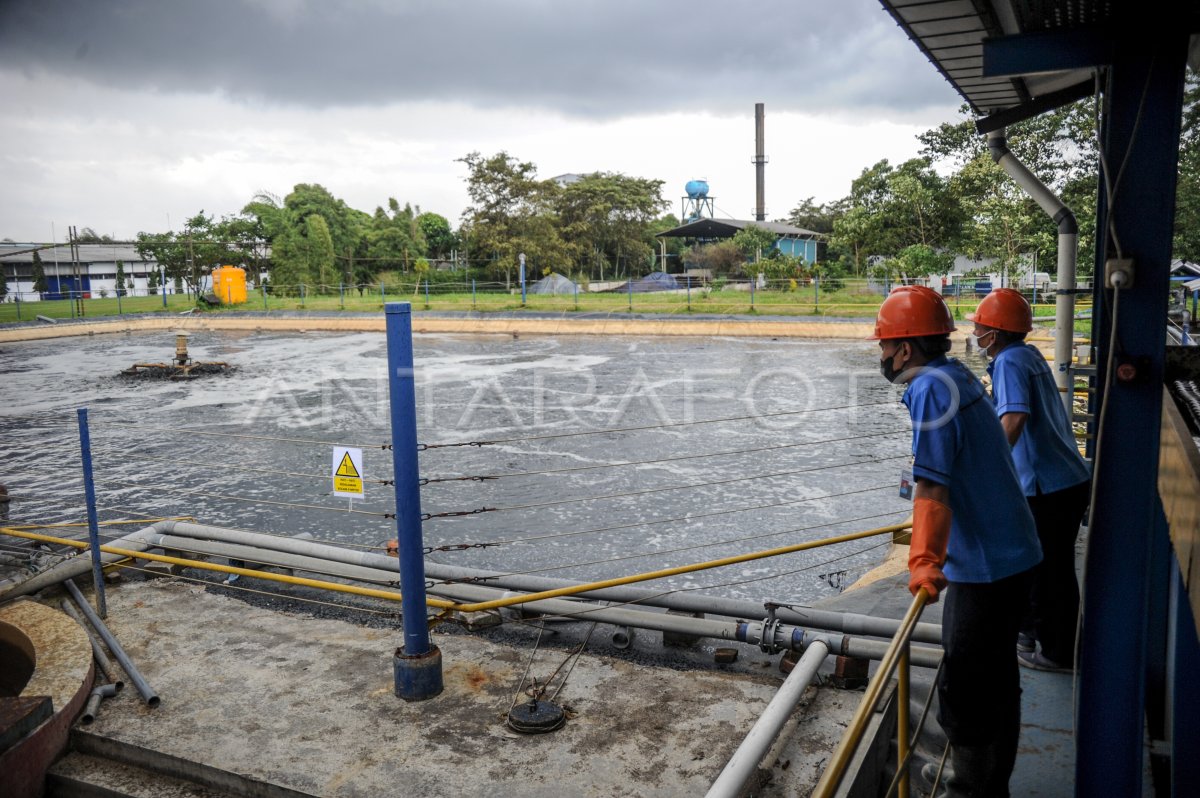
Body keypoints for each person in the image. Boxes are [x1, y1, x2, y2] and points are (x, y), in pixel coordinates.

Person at [873, 285, 1042, 797]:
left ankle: (970, 789)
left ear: (904, 348)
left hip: (986, 566)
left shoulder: (929, 389)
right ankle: (992, 784)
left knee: (965, 686)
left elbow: (932, 484)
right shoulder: (956, 376)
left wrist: (923, 560)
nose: (880, 354)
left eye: (883, 344)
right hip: (1013, 552)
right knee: (996, 680)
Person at [966, 288, 1091, 673]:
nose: (975, 332)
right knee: (1047, 566)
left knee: (1049, 571)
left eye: (980, 326)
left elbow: (1014, 417)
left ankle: (1057, 652)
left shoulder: (1009, 363)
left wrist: (991, 468)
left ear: (996, 332)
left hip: (1045, 486)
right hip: (1065, 479)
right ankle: (1033, 631)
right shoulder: (1028, 355)